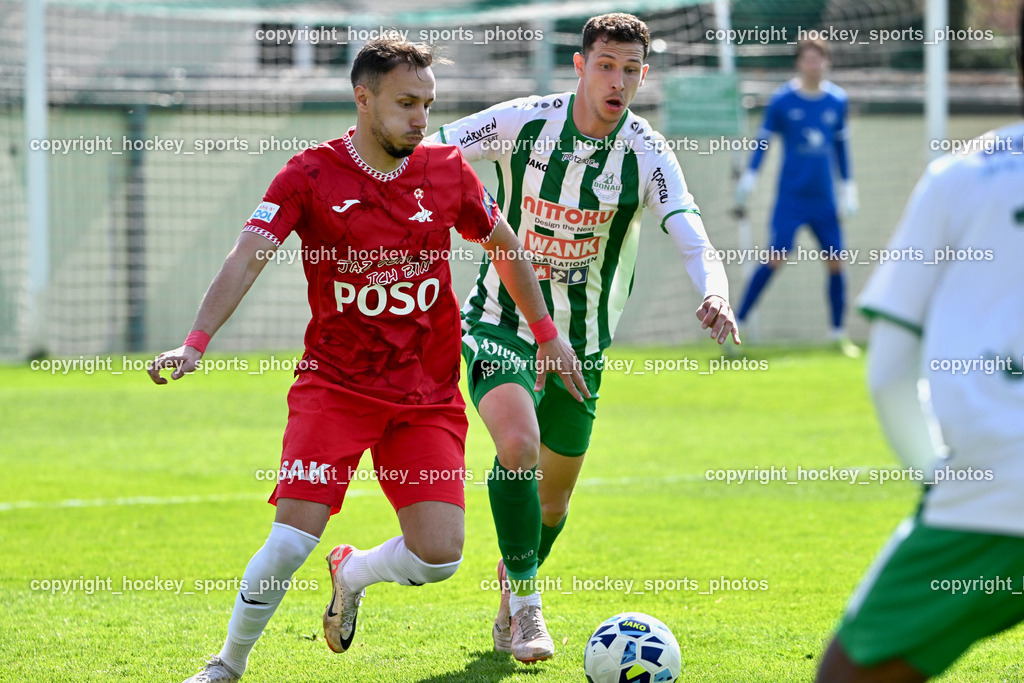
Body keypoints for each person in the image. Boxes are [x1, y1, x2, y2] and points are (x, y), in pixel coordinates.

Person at [148, 37, 588, 683]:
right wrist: (196, 341)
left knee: (440, 556)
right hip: (337, 386)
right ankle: (226, 664)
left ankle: (351, 570)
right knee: (291, 540)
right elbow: (247, 255)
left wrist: (546, 332)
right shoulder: (310, 174)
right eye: (406, 103)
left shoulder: (445, 171)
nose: (421, 118)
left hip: (424, 394)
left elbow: (505, 244)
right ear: (364, 98)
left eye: (428, 104)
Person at [427, 12, 739, 662]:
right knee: (518, 445)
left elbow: (689, 228)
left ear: (642, 75)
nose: (617, 80)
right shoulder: (523, 121)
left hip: (584, 345)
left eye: (630, 70)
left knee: (554, 497)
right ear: (580, 66)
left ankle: (510, 598)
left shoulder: (646, 152)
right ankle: (531, 607)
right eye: (605, 65)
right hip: (500, 321)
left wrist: (715, 288)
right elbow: (432, 149)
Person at [816, 8, 1024, 680]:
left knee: (848, 673)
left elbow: (888, 369)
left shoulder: (964, 176)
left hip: (997, 488)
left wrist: (939, 473)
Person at [734, 38, 860, 356]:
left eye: (819, 58)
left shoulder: (837, 101)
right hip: (791, 198)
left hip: (825, 200)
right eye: (807, 59)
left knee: (835, 263)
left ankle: (837, 335)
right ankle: (738, 324)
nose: (813, 64)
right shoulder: (782, 100)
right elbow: (763, 141)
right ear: (798, 63)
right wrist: (750, 176)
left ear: (826, 62)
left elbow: (842, 148)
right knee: (774, 259)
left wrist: (848, 188)